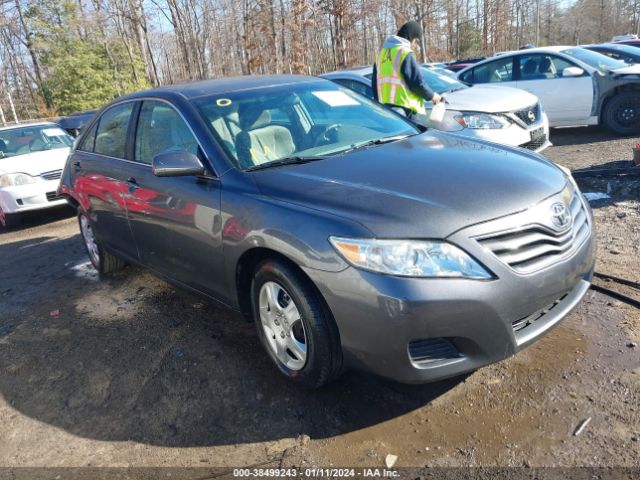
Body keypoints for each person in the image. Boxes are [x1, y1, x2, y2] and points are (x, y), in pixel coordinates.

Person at [372, 20, 441, 119]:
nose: (415, 45)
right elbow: (417, 83)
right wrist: (433, 96)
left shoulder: (380, 54)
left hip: (386, 112)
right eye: (416, 41)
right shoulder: (404, 52)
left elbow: (375, 85)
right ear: (411, 37)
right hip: (407, 112)